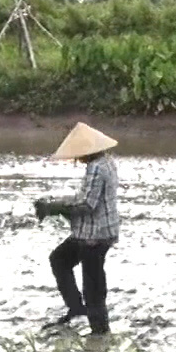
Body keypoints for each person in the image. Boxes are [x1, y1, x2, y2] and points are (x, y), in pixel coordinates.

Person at [33, 122, 120, 335]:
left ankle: (99, 331)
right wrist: (60, 203)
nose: (76, 159)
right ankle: (78, 309)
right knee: (60, 260)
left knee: (92, 283)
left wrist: (56, 207)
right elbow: (87, 197)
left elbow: (87, 204)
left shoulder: (97, 167)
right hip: (102, 231)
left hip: (93, 235)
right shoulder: (107, 162)